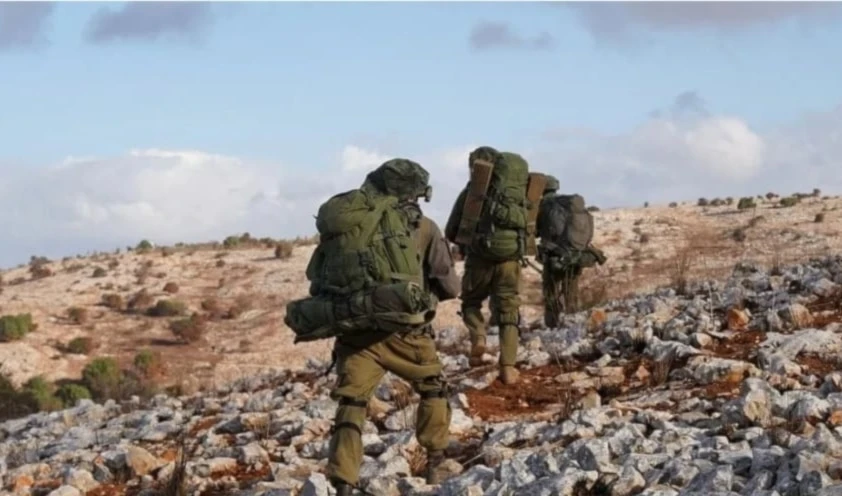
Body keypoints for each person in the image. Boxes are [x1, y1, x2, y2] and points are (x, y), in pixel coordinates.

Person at [321, 159, 461, 495]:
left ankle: (343, 482)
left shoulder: (348, 226)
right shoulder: (424, 227)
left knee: (352, 403)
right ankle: (435, 461)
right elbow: (451, 287)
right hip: (407, 335)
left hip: (357, 333)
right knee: (432, 388)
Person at [445, 146, 530, 385]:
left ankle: (479, 337)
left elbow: (452, 230)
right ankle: (508, 367)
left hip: (479, 259)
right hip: (510, 261)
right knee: (508, 313)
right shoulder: (517, 191)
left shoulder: (473, 192)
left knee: (471, 302)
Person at [535, 180, 607, 327]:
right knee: (571, 291)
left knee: (551, 292)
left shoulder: (545, 206)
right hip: (575, 256)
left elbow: (536, 232)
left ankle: (552, 323)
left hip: (553, 257)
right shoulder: (569, 206)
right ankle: (572, 320)